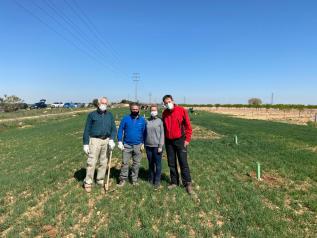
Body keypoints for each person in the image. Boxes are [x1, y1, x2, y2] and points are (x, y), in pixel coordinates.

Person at [82, 97, 116, 193]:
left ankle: (100, 180)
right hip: (95, 140)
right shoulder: (92, 115)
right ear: (98, 103)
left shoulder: (110, 115)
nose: (104, 105)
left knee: (104, 162)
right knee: (92, 162)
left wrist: (112, 140)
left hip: (106, 140)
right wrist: (85, 143)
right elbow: (87, 129)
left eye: (105, 103)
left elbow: (113, 129)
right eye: (102, 103)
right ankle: (88, 182)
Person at [162, 95, 193, 194]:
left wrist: (187, 139)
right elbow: (163, 127)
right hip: (169, 141)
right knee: (171, 163)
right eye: (166, 103)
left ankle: (187, 183)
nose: (168, 104)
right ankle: (174, 182)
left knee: (183, 162)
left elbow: (188, 126)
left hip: (180, 140)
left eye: (169, 101)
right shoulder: (164, 113)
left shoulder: (181, 110)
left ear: (173, 101)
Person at [117, 103, 146, 186]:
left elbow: (144, 132)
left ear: (139, 110)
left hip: (138, 145)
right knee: (125, 163)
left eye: (136, 109)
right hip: (127, 145)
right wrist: (119, 141)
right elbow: (120, 130)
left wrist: (143, 143)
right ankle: (122, 179)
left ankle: (134, 179)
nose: (135, 111)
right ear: (130, 109)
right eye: (133, 109)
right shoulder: (125, 119)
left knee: (136, 164)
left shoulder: (142, 120)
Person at [145, 104, 164, 189]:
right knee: (151, 163)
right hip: (148, 146)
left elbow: (162, 134)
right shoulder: (147, 121)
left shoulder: (160, 121)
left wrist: (160, 146)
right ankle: (151, 178)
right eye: (152, 110)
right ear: (150, 111)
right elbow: (144, 133)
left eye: (154, 110)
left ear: (157, 111)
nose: (153, 112)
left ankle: (157, 180)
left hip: (157, 146)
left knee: (158, 164)